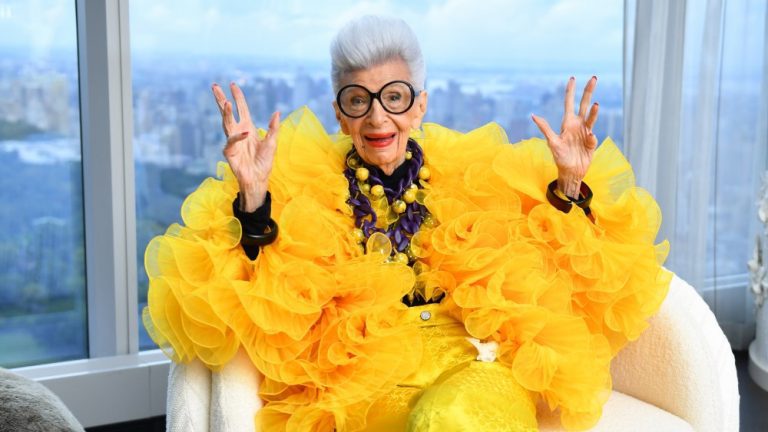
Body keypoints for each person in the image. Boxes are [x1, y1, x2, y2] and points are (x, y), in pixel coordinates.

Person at [143, 15, 671, 432]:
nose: (377, 119)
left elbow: (548, 256)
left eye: (392, 97)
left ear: (418, 105)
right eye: (359, 101)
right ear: (340, 112)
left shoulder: (471, 169)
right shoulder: (305, 183)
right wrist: (255, 197)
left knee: (452, 419)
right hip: (369, 380)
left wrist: (572, 185)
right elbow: (253, 295)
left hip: (474, 362)